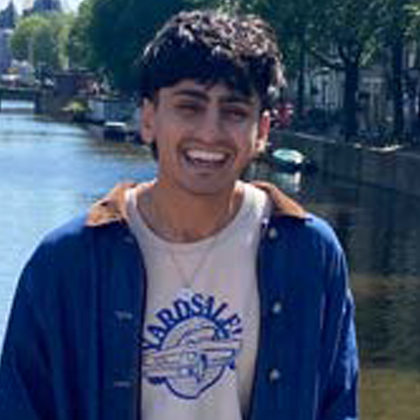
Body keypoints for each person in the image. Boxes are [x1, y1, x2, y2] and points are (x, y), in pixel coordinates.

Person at [0, 9, 358, 420]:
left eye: (234, 111)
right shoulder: (66, 263)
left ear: (261, 132)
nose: (210, 132)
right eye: (189, 107)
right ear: (148, 119)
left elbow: (338, 406)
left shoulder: (310, 255)